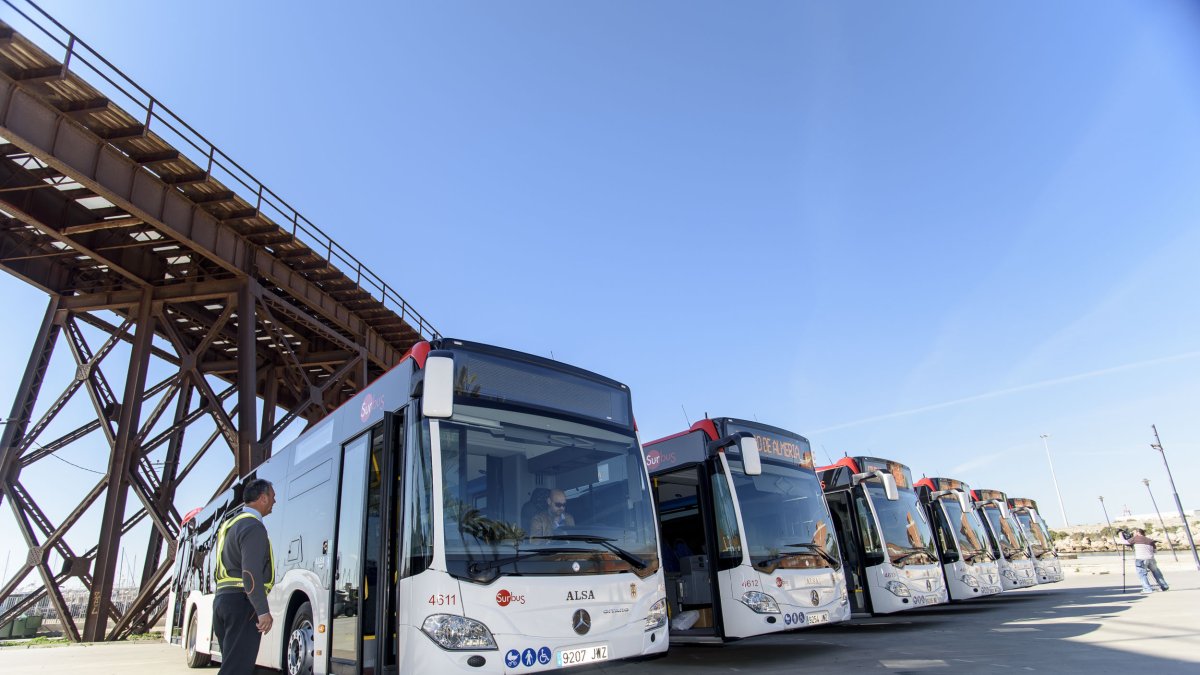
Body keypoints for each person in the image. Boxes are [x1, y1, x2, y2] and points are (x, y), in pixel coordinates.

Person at [213, 478, 277, 674]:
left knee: (232, 665)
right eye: (273, 497)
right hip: (242, 604)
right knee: (237, 670)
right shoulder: (253, 527)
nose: (275, 501)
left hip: (223, 601)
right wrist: (262, 610)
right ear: (263, 498)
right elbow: (250, 573)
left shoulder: (230, 525)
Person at [1116, 528, 1169, 593]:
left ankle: (1147, 589)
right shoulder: (1150, 540)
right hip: (1151, 559)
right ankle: (1164, 586)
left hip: (1141, 559)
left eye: (1134, 532)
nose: (1133, 534)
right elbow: (1155, 551)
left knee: (1142, 574)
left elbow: (1123, 542)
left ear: (1138, 533)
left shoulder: (1136, 538)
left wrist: (1120, 534)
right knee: (1157, 573)